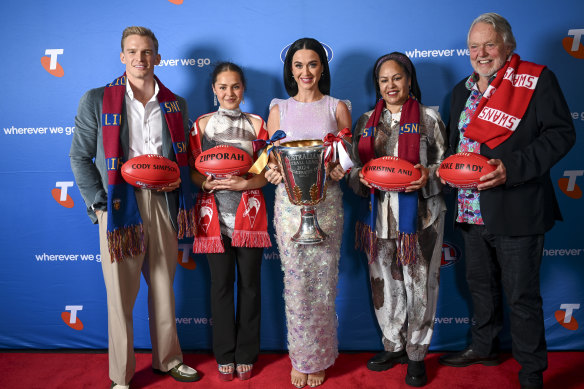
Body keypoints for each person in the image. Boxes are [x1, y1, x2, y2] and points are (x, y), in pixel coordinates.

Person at [437, 13, 576, 389]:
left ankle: (532, 372)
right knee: (480, 287)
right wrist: (443, 170)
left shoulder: (536, 81)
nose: (481, 53)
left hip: (517, 207)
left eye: (489, 45)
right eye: (474, 47)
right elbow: (455, 148)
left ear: (508, 47)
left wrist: (510, 168)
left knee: (521, 296)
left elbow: (562, 134)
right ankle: (484, 346)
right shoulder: (460, 92)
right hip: (469, 210)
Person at [70, 26, 200, 388]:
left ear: (158, 57)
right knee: (120, 296)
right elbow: (79, 158)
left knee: (163, 286)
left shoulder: (176, 103)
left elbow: (182, 157)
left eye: (147, 52)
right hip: (118, 204)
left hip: (162, 202)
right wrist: (99, 205)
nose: (140, 59)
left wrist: (177, 178)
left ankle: (168, 359)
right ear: (122, 56)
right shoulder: (97, 99)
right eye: (132, 52)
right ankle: (121, 375)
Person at [347, 52, 447, 387]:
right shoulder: (365, 122)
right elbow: (353, 171)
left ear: (409, 80)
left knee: (419, 285)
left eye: (397, 78)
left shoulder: (429, 119)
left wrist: (426, 175)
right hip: (378, 218)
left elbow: (445, 168)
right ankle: (394, 344)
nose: (391, 85)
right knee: (383, 284)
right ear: (377, 85)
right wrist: (360, 178)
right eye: (384, 80)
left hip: (420, 218)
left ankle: (417, 353)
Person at [264, 37, 352, 388]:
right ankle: (300, 359)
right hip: (288, 207)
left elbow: (348, 158)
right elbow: (271, 160)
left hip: (327, 205)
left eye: (312, 64)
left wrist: (339, 170)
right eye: (298, 66)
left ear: (322, 68)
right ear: (290, 70)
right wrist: (272, 173)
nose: (305, 72)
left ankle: (321, 358)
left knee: (322, 284)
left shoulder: (337, 107)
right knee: (296, 283)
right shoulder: (278, 110)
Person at [189, 62, 271, 381]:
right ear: (214, 90)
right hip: (213, 219)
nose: (229, 93)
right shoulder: (201, 126)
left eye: (235, 86)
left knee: (250, 287)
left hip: (249, 216)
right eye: (223, 87)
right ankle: (224, 353)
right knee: (221, 287)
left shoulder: (257, 125)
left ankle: (246, 353)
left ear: (243, 89)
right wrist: (205, 183)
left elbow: (266, 171)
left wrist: (245, 184)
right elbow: (193, 171)